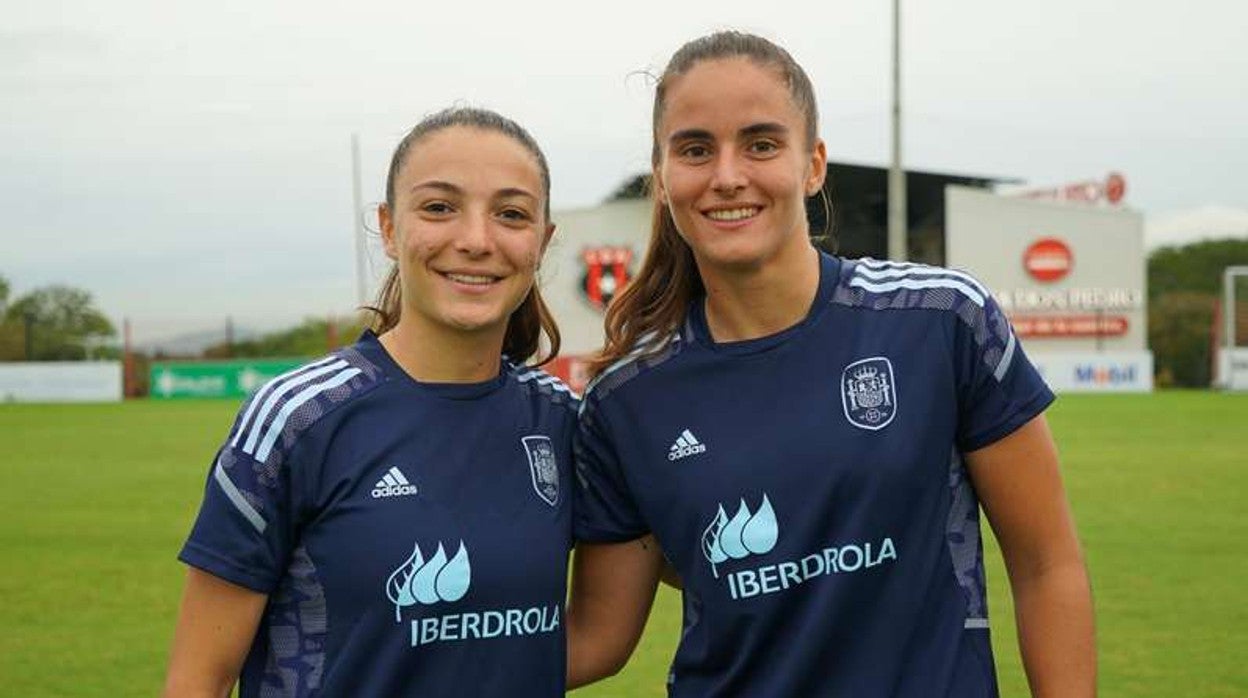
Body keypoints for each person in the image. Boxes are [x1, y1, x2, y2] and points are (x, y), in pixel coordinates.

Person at [567, 31, 1096, 697]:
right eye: (696, 149)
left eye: (761, 144)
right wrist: (404, 655)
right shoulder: (625, 399)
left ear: (813, 164)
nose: (728, 174)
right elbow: (597, 638)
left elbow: (1047, 565)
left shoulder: (940, 320)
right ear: (663, 174)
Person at [163, 107, 578, 697]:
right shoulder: (297, 417)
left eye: (511, 214)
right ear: (388, 228)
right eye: (439, 207)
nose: (476, 240)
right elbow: (197, 680)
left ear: (542, 240)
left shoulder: (562, 419)